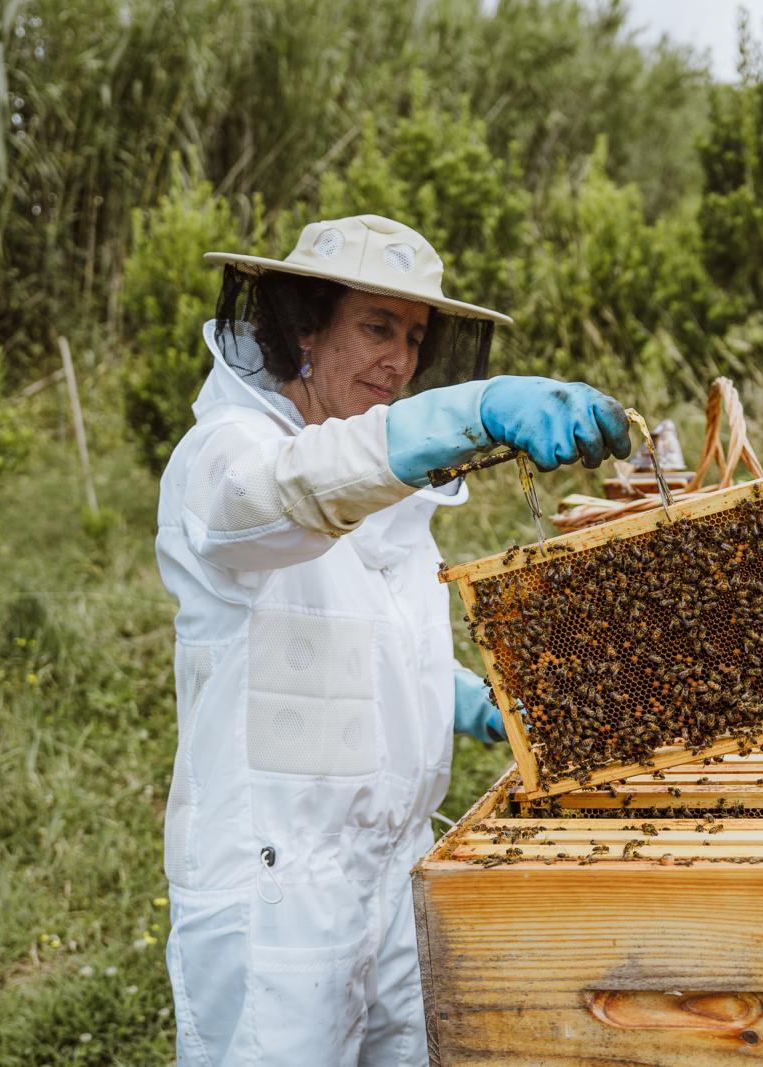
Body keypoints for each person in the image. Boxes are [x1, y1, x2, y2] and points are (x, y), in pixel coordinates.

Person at [153, 214, 631, 1065]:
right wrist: (473, 412)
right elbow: (293, 495)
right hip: (278, 893)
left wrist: (464, 699)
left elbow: (361, 637)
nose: (401, 361)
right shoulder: (225, 457)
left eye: (414, 337)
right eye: (376, 327)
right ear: (304, 326)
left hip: (392, 869)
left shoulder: (385, 495)